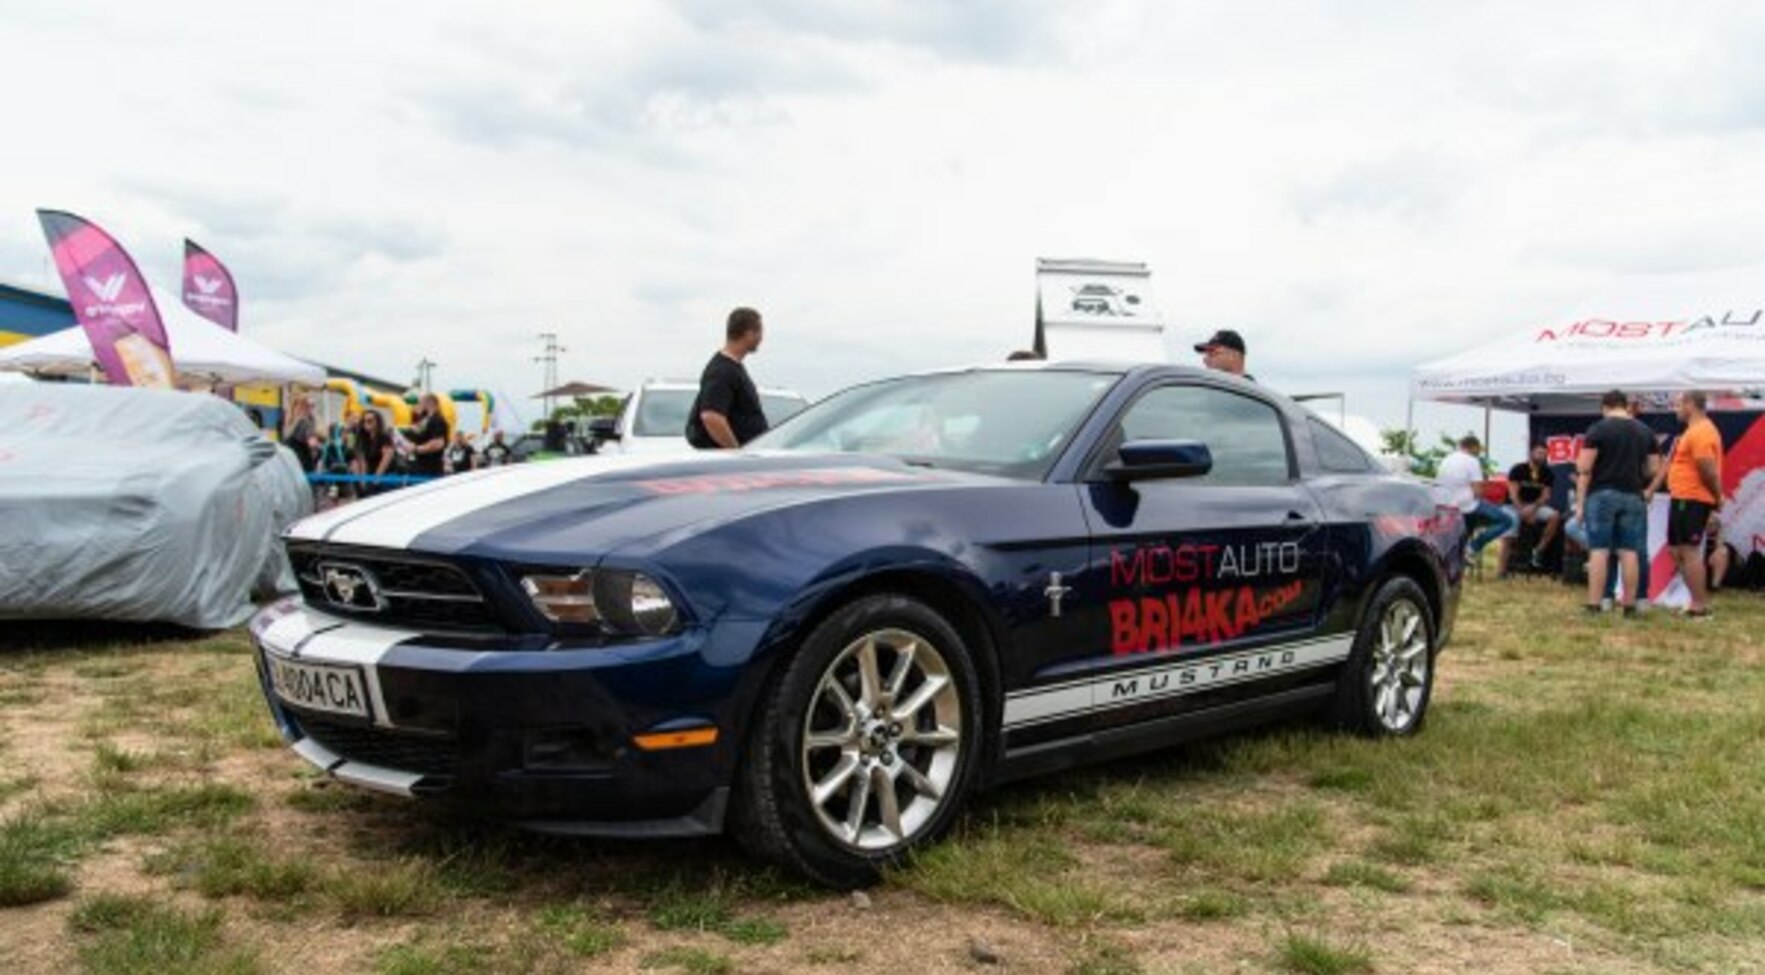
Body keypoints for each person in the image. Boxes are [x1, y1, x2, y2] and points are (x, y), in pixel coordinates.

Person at [1575, 390, 1661, 616]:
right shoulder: (1645, 431)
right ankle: (1630, 606)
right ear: (1626, 405)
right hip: (1634, 495)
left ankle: (1595, 605)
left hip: (1602, 494)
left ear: (1605, 406)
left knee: (1600, 551)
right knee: (1629, 551)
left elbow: (1584, 467)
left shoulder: (1599, 429)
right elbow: (1653, 469)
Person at [1663, 391, 1725, 616]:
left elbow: (1707, 468)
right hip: (1683, 497)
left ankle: (1699, 606)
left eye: (1678, 404)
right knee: (1676, 549)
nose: (1675, 409)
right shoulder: (1694, 430)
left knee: (1688, 551)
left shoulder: (1701, 431)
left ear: (1690, 404)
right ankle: (1695, 599)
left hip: (1692, 498)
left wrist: (1717, 497)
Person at [686, 306, 768, 449]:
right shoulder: (722, 371)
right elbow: (711, 417)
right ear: (748, 334)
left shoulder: (733, 367)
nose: (761, 338)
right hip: (728, 463)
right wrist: (736, 452)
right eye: (759, 332)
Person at [1434, 435, 1517, 564]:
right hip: (1467, 506)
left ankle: (1461, 553)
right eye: (1478, 449)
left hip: (1446, 506)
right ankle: (1473, 547)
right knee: (1507, 521)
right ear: (1473, 447)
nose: (1479, 452)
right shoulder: (1472, 461)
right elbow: (1478, 491)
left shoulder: (1446, 459)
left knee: (1470, 526)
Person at [1503, 442, 1563, 570]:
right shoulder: (1518, 469)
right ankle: (1502, 569)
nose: (1542, 456)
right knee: (1509, 527)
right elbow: (1513, 494)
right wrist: (1522, 511)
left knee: (1555, 516)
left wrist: (1533, 508)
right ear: (1531, 453)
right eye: (1539, 453)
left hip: (1534, 507)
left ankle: (1538, 551)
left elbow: (1545, 496)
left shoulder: (1547, 473)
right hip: (1514, 506)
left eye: (1544, 454)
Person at [405, 393, 450, 478]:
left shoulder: (437, 420)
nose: (417, 406)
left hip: (431, 469)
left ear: (429, 403)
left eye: (420, 403)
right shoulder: (424, 420)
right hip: (419, 466)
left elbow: (438, 443)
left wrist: (417, 449)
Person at [353, 410, 395, 495]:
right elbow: (363, 462)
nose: (367, 423)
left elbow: (386, 460)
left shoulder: (384, 437)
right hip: (370, 475)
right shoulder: (363, 440)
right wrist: (363, 481)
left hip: (385, 476)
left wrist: (376, 478)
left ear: (377, 422)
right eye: (364, 421)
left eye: (370, 421)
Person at [280, 396, 319, 473]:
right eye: (309, 406)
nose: (310, 409)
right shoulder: (305, 423)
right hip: (302, 463)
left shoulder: (289, 423)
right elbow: (312, 443)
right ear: (304, 408)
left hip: (287, 462)